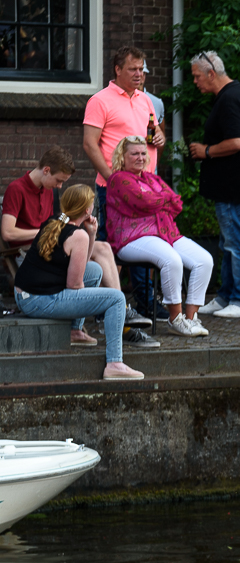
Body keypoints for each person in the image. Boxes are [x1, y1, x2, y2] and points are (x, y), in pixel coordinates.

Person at [12, 185, 142, 380]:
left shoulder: (54, 221)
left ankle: (75, 330)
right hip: (38, 300)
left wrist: (91, 234)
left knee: (95, 270)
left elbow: (82, 264)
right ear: (88, 210)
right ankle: (114, 363)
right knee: (116, 298)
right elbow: (74, 285)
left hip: (24, 294)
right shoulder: (77, 235)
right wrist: (89, 300)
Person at [82, 46, 166, 323]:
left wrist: (160, 138)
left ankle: (145, 303)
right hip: (114, 188)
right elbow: (89, 144)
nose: (139, 74)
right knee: (109, 243)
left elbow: (154, 134)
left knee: (143, 243)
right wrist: (112, 178)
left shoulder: (146, 100)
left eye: (141, 69)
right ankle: (104, 306)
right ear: (117, 70)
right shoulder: (100, 101)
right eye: (133, 69)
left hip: (144, 188)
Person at [106, 136, 214, 338]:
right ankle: (175, 319)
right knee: (171, 260)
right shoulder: (118, 179)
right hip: (132, 238)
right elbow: (143, 201)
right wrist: (162, 200)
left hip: (165, 233)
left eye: (143, 153)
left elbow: (176, 202)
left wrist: (157, 200)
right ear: (122, 156)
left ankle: (190, 318)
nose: (140, 157)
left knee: (204, 260)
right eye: (134, 154)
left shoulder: (151, 178)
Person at [188, 51, 240, 320]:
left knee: (237, 243)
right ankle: (225, 297)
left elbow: (237, 142)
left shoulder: (230, 99)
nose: (195, 82)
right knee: (228, 241)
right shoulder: (237, 93)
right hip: (236, 184)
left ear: (211, 73)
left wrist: (206, 151)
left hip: (235, 186)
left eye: (197, 76)